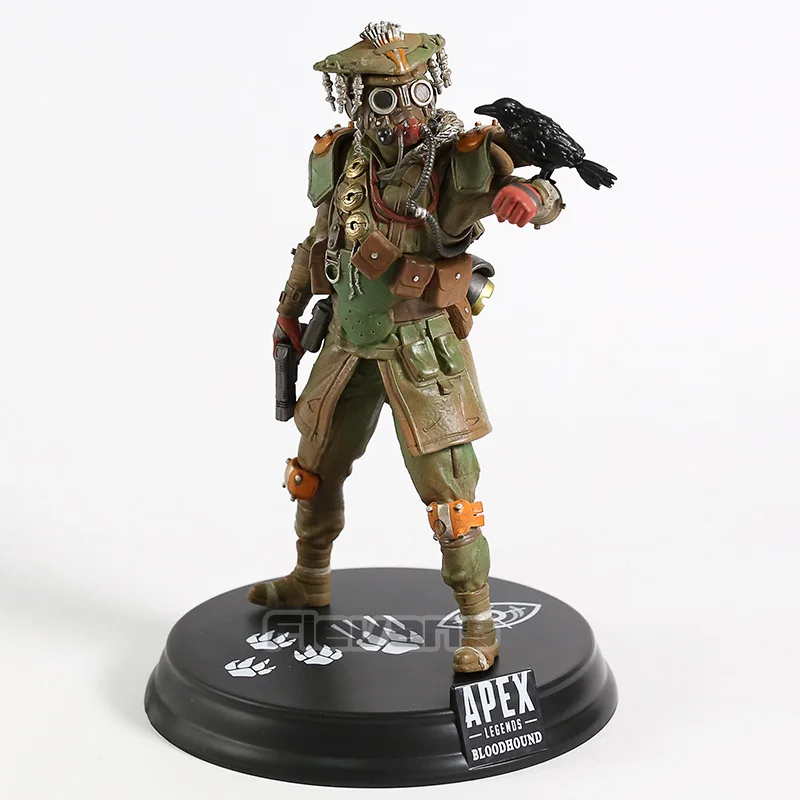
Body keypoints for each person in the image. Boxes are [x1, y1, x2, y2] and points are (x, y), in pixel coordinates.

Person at [249, 22, 563, 673]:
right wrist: (288, 311)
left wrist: (528, 197)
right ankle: (310, 578)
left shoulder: (458, 158)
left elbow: (549, 190)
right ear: (356, 101)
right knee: (313, 468)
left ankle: (478, 622)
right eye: (386, 98)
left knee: (451, 495)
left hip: (421, 349)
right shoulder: (342, 157)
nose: (406, 112)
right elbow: (318, 243)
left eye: (417, 92)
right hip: (348, 338)